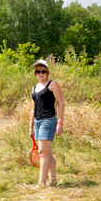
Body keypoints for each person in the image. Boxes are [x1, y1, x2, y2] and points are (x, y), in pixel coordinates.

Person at [29, 60, 64, 188]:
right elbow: (33, 108)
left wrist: (60, 123)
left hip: (49, 120)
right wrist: (30, 127)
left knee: (42, 153)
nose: (40, 73)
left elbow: (60, 103)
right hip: (37, 122)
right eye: (38, 71)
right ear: (35, 73)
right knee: (47, 153)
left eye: (43, 71)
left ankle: (41, 183)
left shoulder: (52, 84)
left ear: (47, 72)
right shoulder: (34, 87)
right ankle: (53, 180)